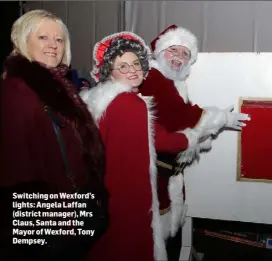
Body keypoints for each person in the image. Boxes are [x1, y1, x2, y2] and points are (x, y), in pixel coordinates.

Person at [80, 31, 207, 261]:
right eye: (123, 65)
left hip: (106, 192)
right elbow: (163, 139)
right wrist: (193, 137)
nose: (133, 70)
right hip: (130, 197)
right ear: (110, 70)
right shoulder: (131, 103)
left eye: (136, 63)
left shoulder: (99, 98)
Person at [0, 10, 107, 261]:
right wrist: (51, 222)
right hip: (47, 218)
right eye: (43, 37)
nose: (53, 45)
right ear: (22, 40)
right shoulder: (18, 90)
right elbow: (17, 170)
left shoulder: (55, 83)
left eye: (59, 40)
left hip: (68, 207)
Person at [139, 24, 251, 260]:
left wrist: (208, 125)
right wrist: (221, 118)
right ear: (159, 51)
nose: (179, 57)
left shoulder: (173, 83)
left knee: (168, 237)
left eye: (185, 53)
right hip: (151, 176)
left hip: (167, 174)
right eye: (174, 50)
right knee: (152, 241)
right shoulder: (154, 77)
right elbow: (180, 116)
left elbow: (185, 126)